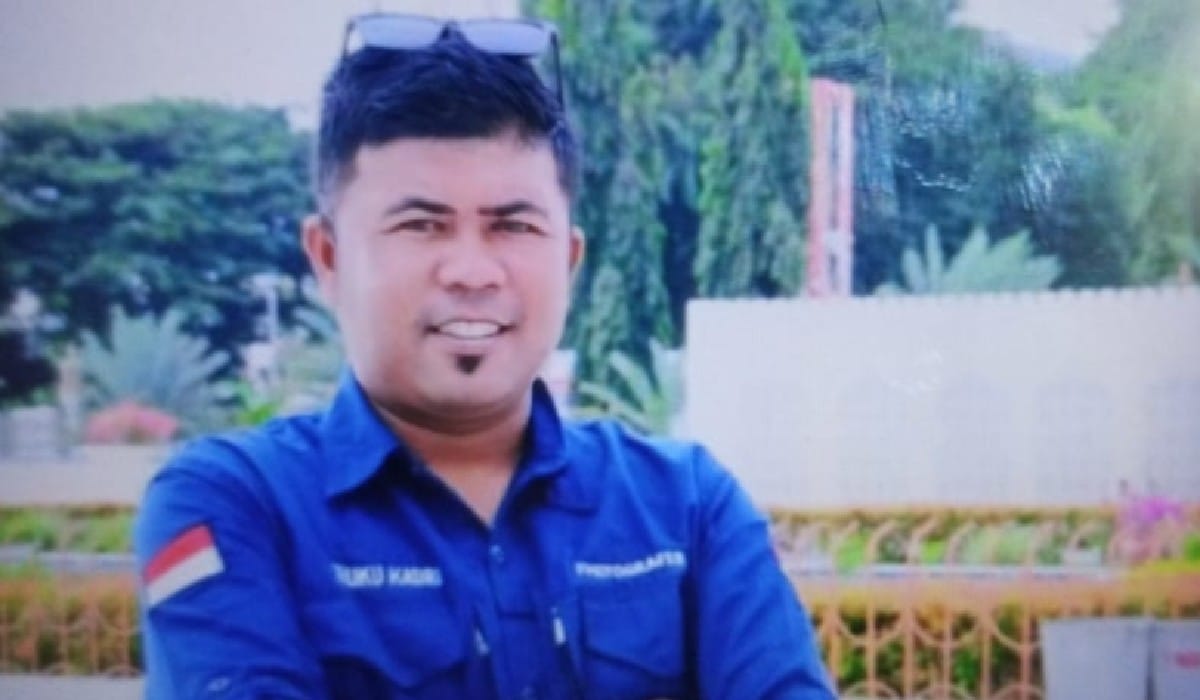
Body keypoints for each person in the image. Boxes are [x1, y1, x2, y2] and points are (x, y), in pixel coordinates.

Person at [134, 12, 835, 699]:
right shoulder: (235, 503)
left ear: (569, 260)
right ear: (328, 258)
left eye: (514, 226)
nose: (472, 271)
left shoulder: (687, 507)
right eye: (421, 224)